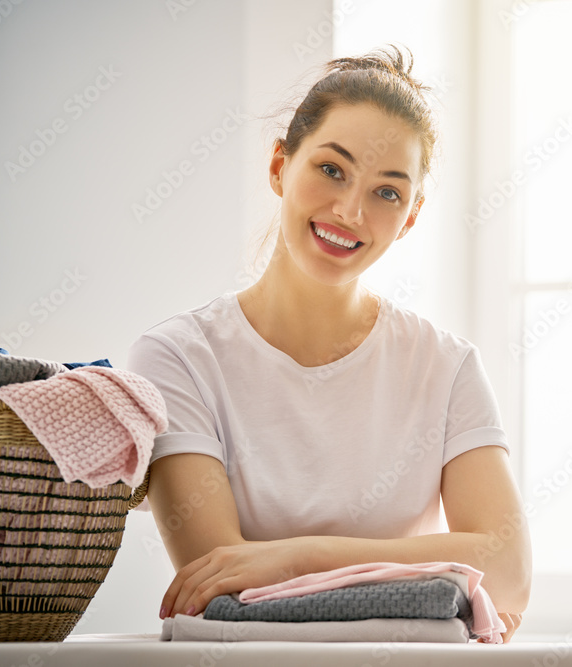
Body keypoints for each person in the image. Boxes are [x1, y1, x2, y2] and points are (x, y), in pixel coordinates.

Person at [126, 45, 532, 642]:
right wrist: (428, 571)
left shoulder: (446, 367)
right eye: (331, 169)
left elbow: (509, 570)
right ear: (278, 167)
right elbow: (217, 579)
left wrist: (291, 558)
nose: (349, 211)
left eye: (387, 193)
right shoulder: (179, 358)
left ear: (411, 216)